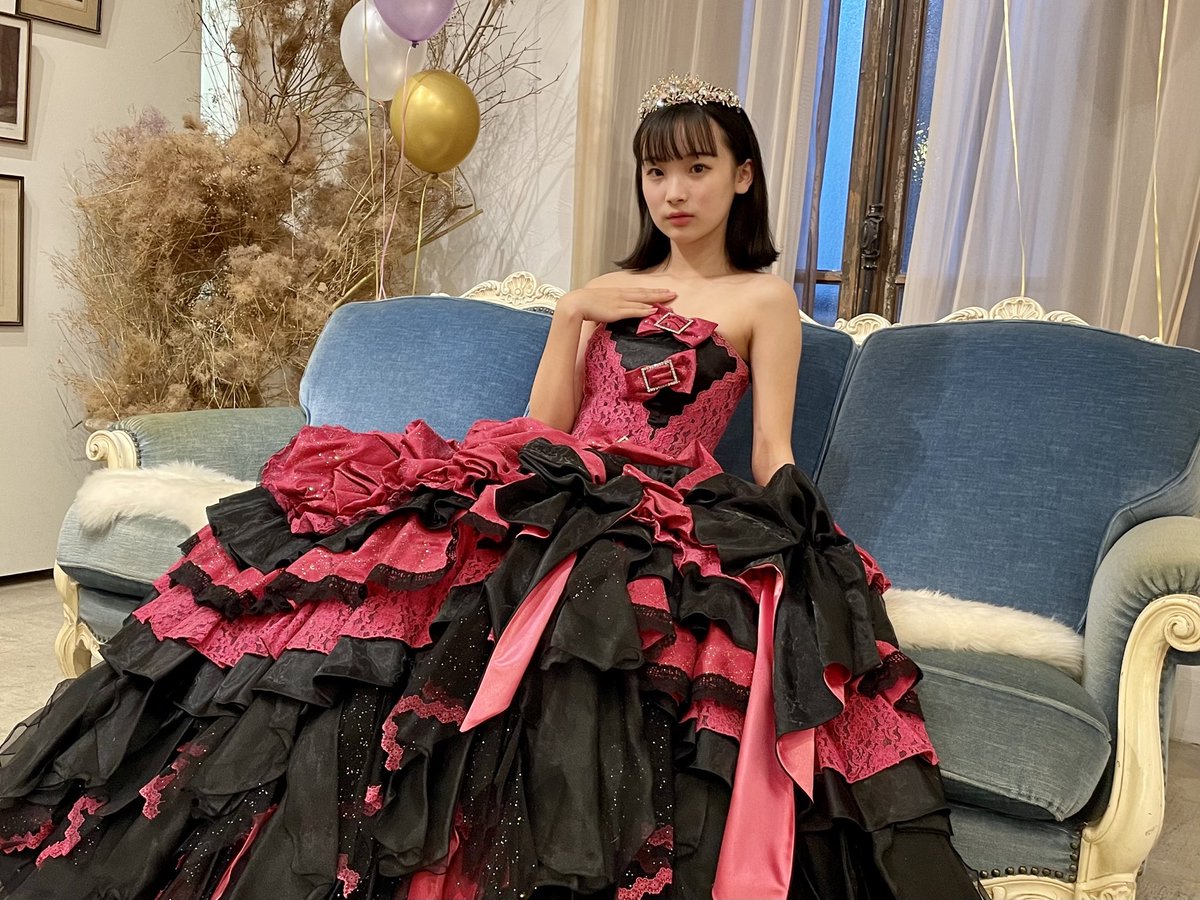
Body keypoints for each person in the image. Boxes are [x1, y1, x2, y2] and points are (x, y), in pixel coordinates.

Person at [0, 74, 986, 900]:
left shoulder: (762, 299)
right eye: (656, 170)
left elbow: (769, 446)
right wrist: (572, 314)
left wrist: (799, 531)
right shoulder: (607, 287)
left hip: (661, 500)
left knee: (592, 627)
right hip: (556, 472)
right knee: (380, 579)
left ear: (743, 175)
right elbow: (547, 423)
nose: (674, 191)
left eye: (697, 167)